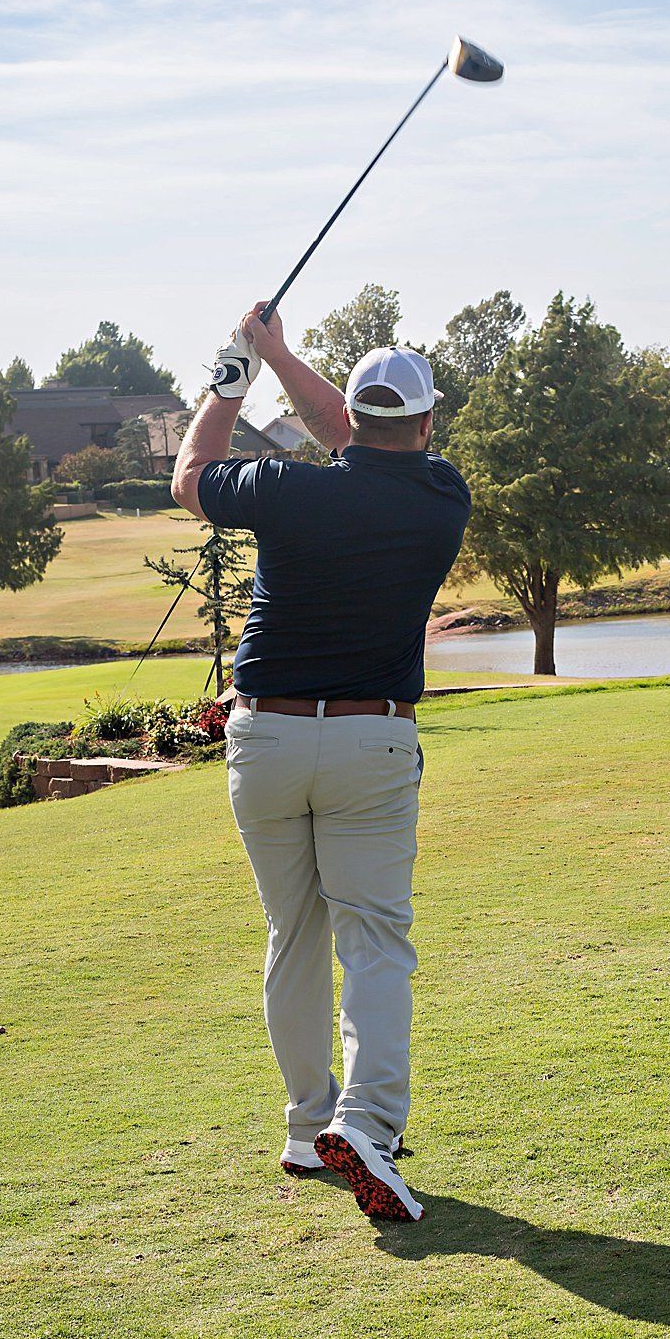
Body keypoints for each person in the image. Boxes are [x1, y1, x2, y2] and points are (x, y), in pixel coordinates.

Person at [172, 305, 471, 1222]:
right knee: (371, 937)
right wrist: (281, 356)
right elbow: (358, 435)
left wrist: (238, 373)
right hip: (371, 741)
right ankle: (368, 1127)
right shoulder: (439, 494)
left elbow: (190, 478)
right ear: (424, 425)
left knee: (291, 935)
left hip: (262, 738)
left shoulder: (283, 489)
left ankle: (308, 1129)